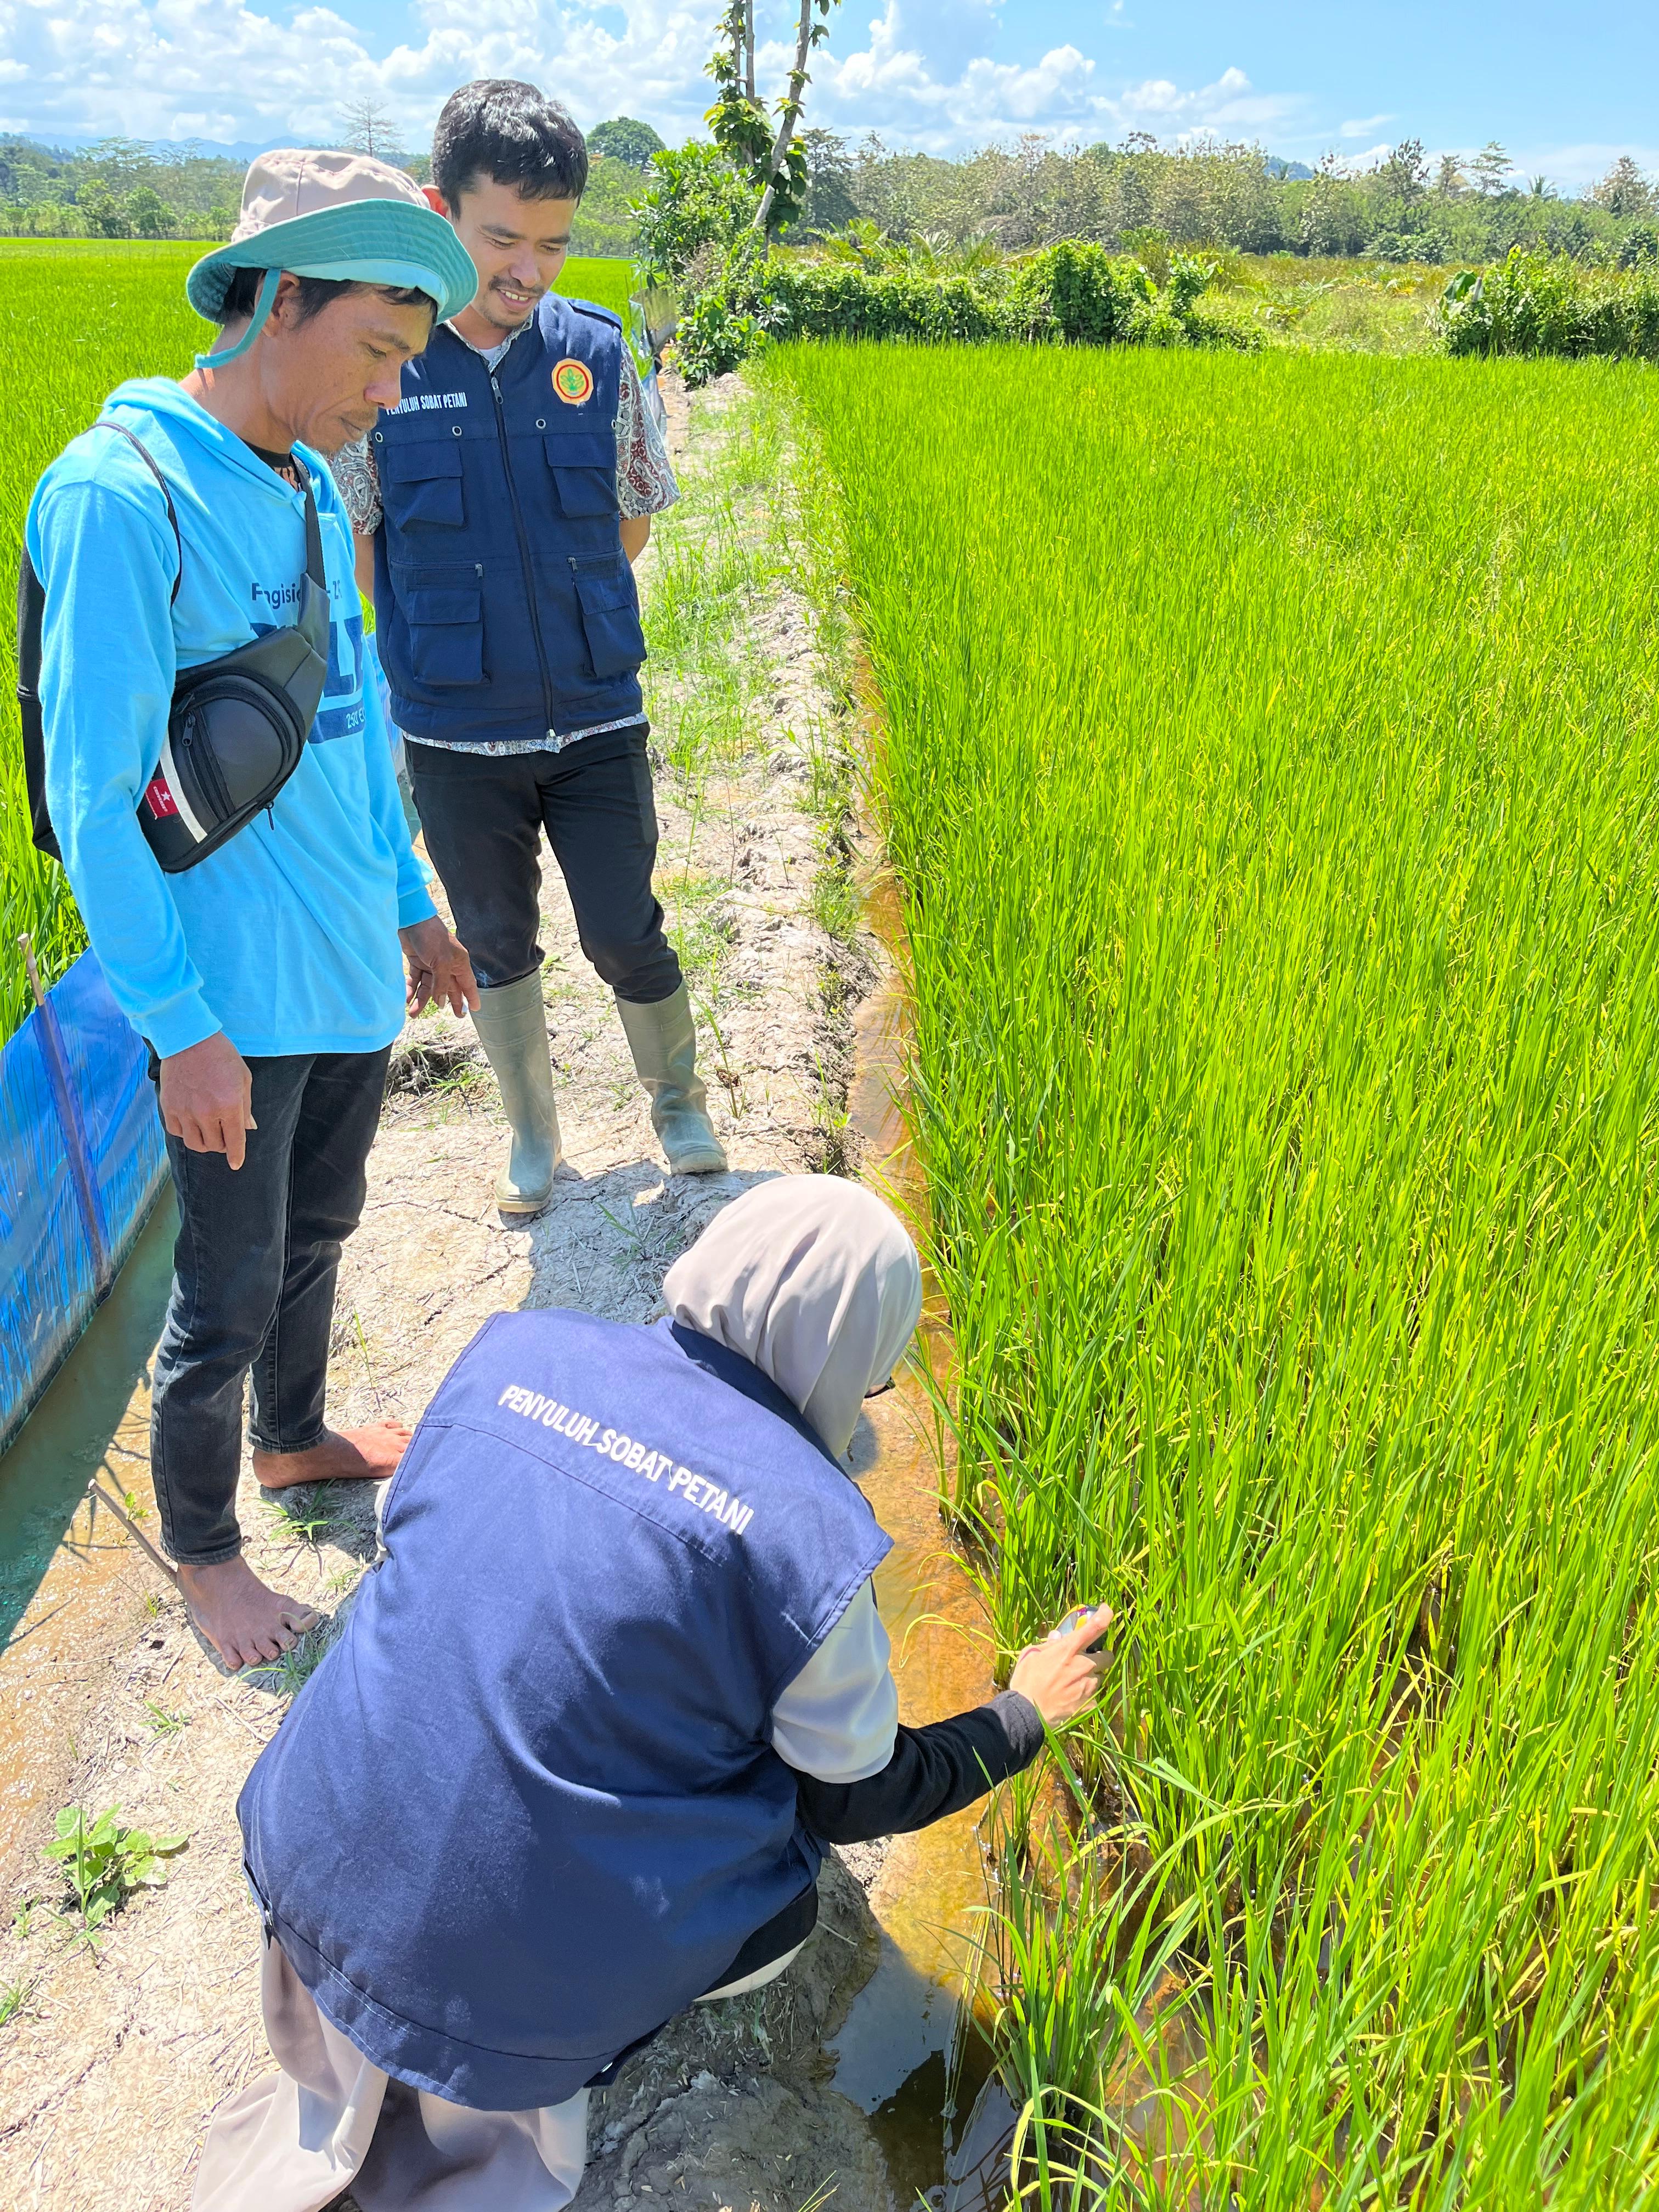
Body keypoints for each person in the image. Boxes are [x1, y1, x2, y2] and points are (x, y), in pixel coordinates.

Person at [190, 1176, 1109, 2210]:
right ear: (854, 1359)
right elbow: (861, 1795)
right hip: (495, 2008)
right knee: (787, 1888)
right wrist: (1021, 1714)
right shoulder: (812, 1538)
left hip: (301, 1856)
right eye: (879, 1377)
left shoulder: (517, 1351)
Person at [25, 151, 482, 1672]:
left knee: (321, 1227)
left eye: (408, 362)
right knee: (219, 1294)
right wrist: (181, 1030)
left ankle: (294, 1441)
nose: (388, 393)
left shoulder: (308, 487)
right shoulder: (124, 495)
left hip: (345, 967)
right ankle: (210, 1554)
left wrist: (412, 903)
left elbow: (349, 729)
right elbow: (96, 801)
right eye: (374, 350)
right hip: (231, 999)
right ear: (282, 300)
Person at [331, 78, 726, 1217]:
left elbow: (631, 519)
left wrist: (555, 602)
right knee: (497, 940)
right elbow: (362, 548)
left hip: (596, 716)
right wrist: (455, 638)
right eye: (502, 238)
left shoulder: (595, 351)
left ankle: (678, 1104)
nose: (529, 270)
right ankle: (533, 1136)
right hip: (455, 733)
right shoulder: (387, 363)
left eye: (552, 244)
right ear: (441, 211)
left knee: (626, 926)